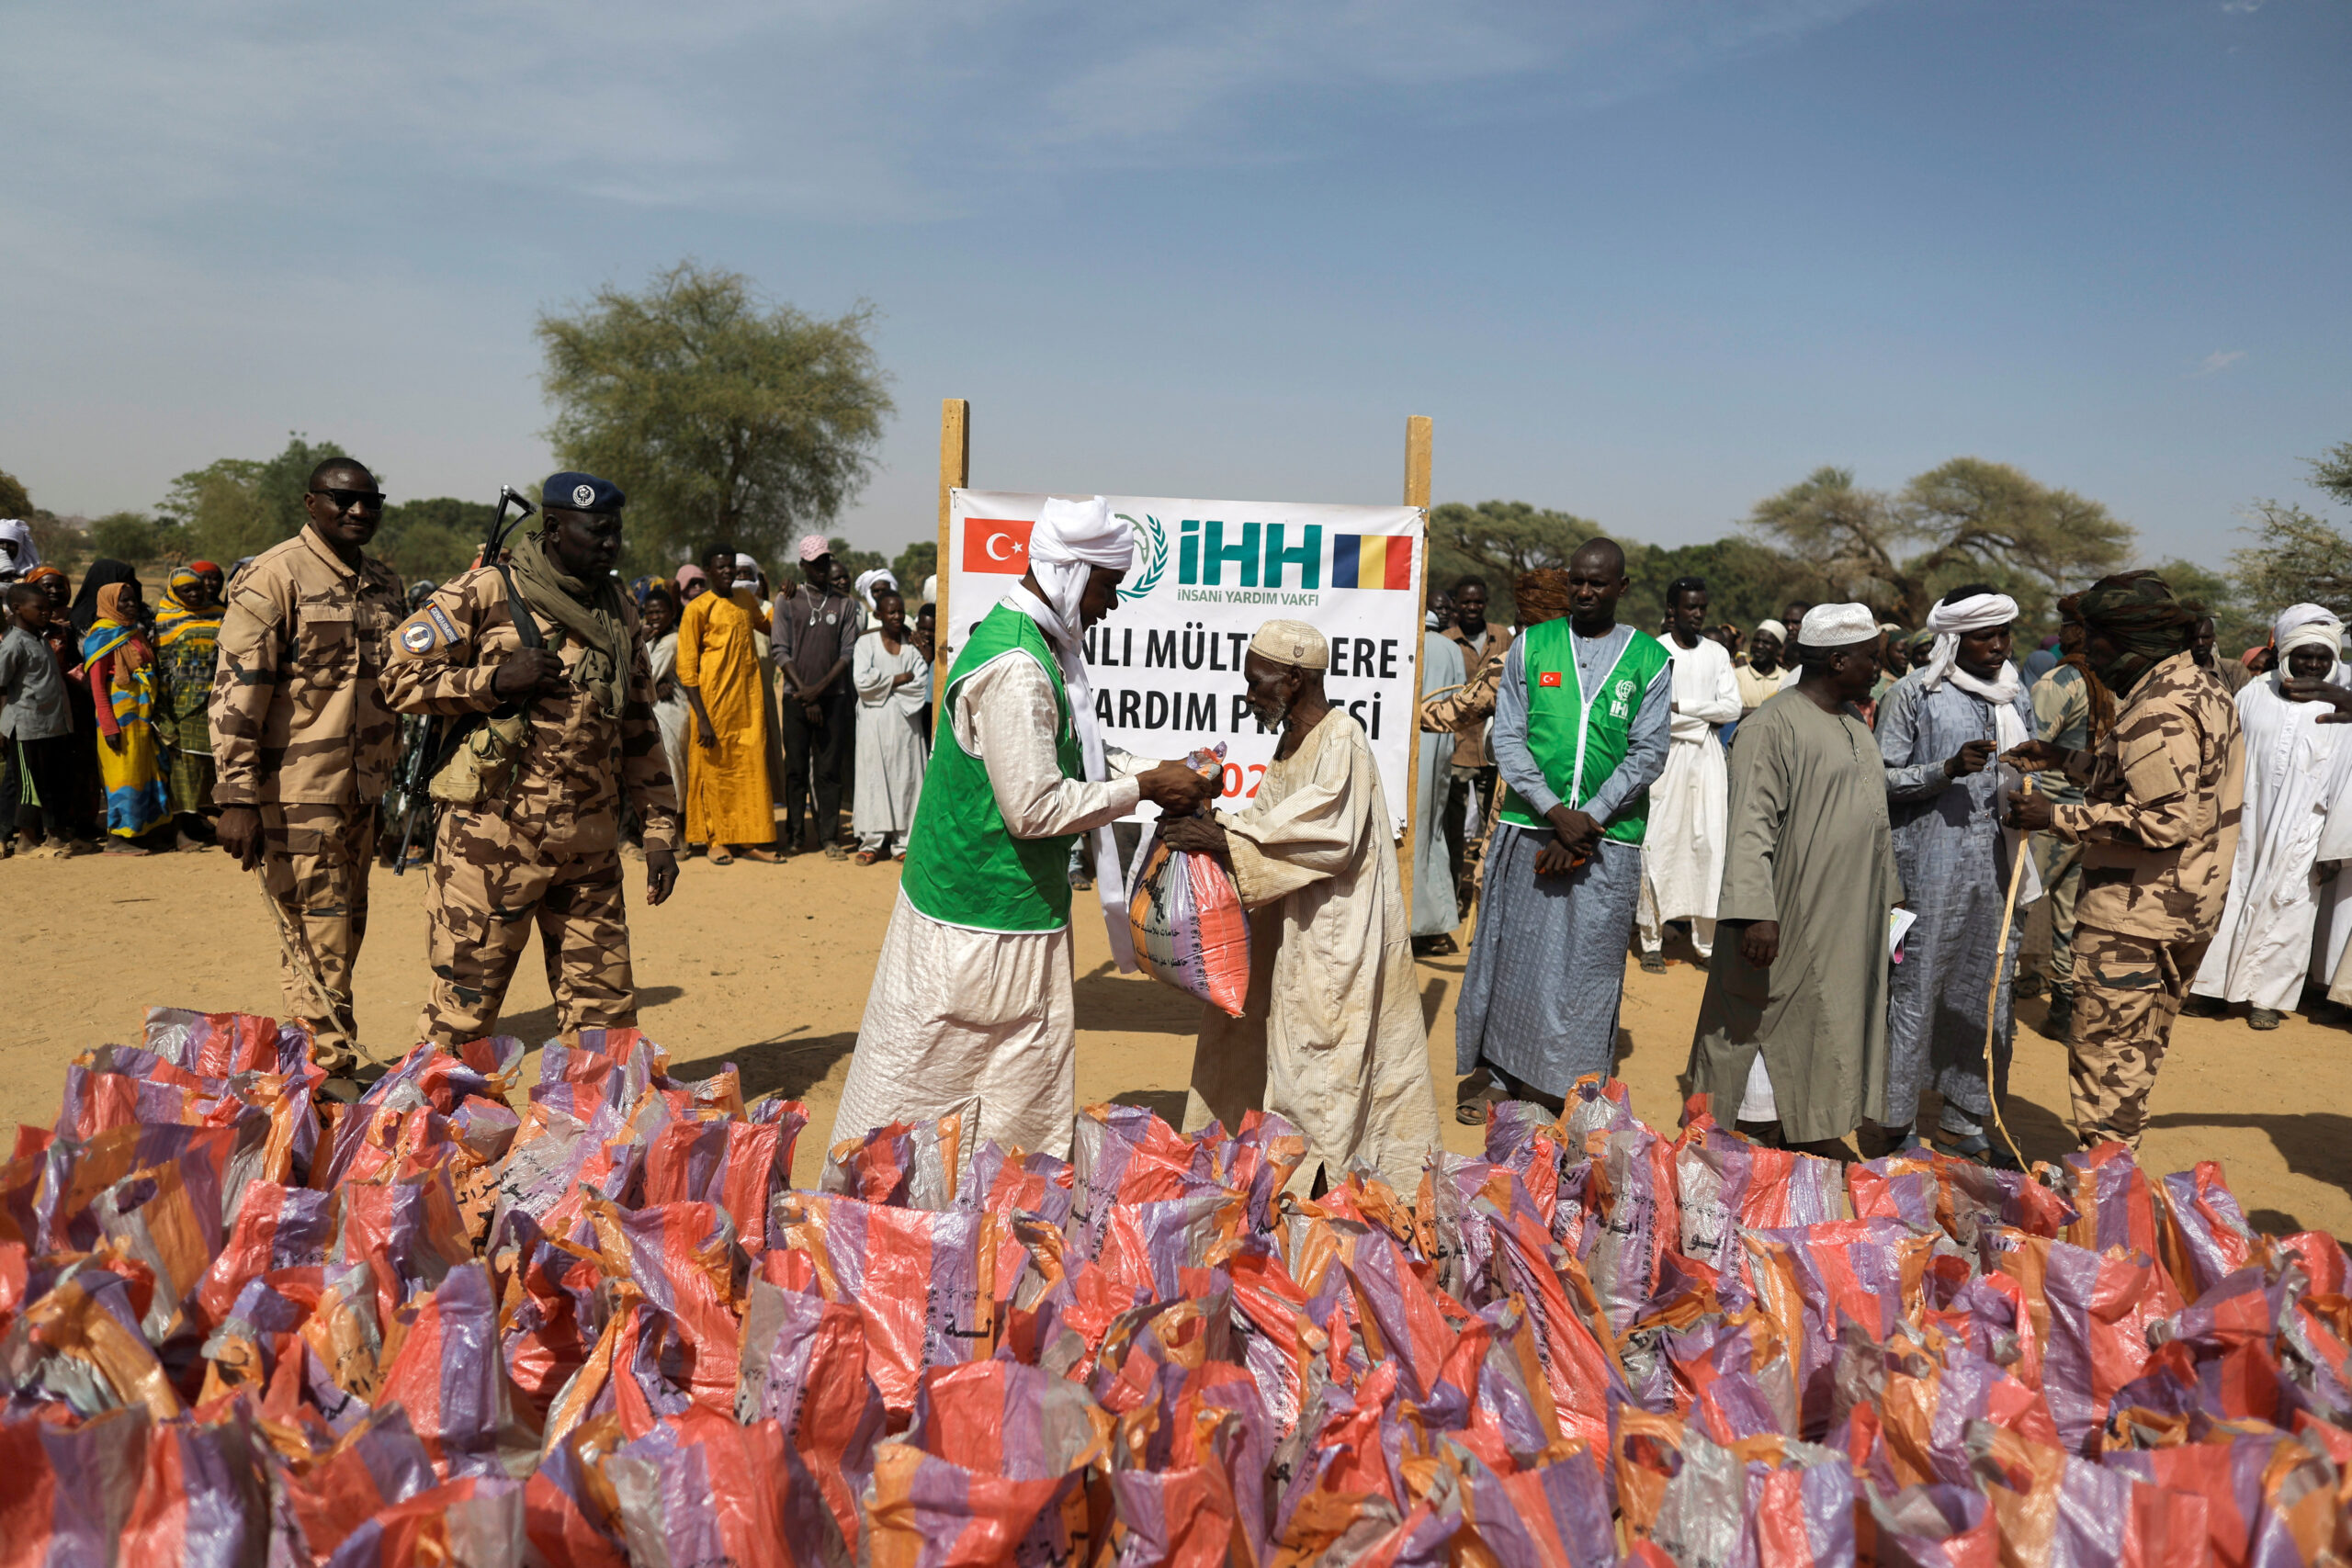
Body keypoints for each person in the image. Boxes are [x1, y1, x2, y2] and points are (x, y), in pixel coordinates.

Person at [828, 497, 1216, 1160]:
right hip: (979, 923)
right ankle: (892, 1219)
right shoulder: (1018, 664)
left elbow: (1062, 755)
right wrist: (1145, 788)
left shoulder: (1030, 641)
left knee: (1000, 1098)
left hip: (998, 912)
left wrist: (1149, 771)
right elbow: (1033, 807)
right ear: (1071, 572)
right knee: (934, 1103)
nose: (1111, 605)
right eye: (1107, 587)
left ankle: (986, 1227)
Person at [383, 472, 680, 1050]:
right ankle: (437, 1136)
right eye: (597, 532)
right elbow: (396, 678)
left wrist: (660, 830)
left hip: (588, 848)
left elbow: (640, 724)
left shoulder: (618, 609)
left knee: (605, 1019)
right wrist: (493, 680)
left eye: (616, 532)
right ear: (552, 527)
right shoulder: (486, 592)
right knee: (462, 1016)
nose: (611, 545)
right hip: (490, 846)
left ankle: (591, 1136)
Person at [1169, 620, 1444, 1195]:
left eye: (1257, 682)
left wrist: (1224, 841)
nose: (1248, 697)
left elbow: (1326, 836)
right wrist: (1214, 823)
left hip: (1333, 933)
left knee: (1319, 1066)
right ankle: (1263, 1176)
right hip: (1287, 926)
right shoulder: (1291, 741)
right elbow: (1271, 824)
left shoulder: (1341, 738)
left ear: (1292, 680)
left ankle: (1316, 1203)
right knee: (1264, 1044)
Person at [2007, 570, 2244, 1151]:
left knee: (2106, 1062)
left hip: (2135, 917)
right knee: (2135, 1055)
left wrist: (2055, 819)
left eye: (2097, 638)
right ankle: (2115, 1183)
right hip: (2186, 905)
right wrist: (2066, 759)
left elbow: (2163, 820)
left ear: (2131, 641)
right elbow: (2157, 784)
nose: (2086, 650)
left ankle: (2104, 1199)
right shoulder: (2202, 689)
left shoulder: (2159, 710)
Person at [1453, 541, 1672, 1118]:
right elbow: (1508, 738)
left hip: (1607, 838)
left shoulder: (1649, 659)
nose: (1585, 592)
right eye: (1576, 581)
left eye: (1598, 583)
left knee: (1587, 969)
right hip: (1530, 826)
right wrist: (1555, 812)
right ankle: (1500, 1072)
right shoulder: (1531, 647)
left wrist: (1588, 819)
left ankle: (1568, 1084)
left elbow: (1648, 753)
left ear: (1622, 588)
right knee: (1511, 958)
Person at [209, 457, 406, 1078]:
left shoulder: (383, 582)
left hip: (362, 791)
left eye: (369, 501)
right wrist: (237, 796)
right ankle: (327, 1071)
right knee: (317, 936)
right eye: (342, 500)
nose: (357, 511)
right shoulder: (274, 577)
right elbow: (238, 692)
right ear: (310, 502)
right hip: (296, 792)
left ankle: (318, 1059)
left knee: (344, 932)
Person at [1687, 605, 1904, 1156]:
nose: (1877, 670)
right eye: (1870, 659)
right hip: (1786, 920)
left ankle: (1808, 1136)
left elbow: (1871, 816)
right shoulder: (1770, 727)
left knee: (1828, 1027)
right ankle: (1749, 1153)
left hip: (1846, 920)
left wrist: (1892, 902)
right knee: (1764, 1035)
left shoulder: (1855, 722)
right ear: (1837, 660)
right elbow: (1749, 831)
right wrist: (1757, 912)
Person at [1871, 587, 2031, 1164]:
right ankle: (1896, 1121)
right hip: (1924, 872)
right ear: (1953, 640)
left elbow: (2030, 767)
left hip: (1996, 871)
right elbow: (1880, 779)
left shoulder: (2014, 697)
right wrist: (1944, 770)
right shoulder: (1915, 695)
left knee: (1987, 990)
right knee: (1915, 989)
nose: (1997, 647)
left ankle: (1965, 1119)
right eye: (1984, 636)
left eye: (2004, 635)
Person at [2186, 606, 2352, 1029]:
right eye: (2304, 656)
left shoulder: (2343, 708)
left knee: (2290, 908)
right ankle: (2208, 990)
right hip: (2244, 820)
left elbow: (2347, 781)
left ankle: (2266, 998)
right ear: (2285, 657)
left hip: (2306, 828)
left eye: (2322, 658)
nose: (2312, 664)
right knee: (2227, 899)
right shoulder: (2254, 694)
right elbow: (2225, 757)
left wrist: (2334, 845)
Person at [1636, 576, 1742, 972]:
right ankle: (1651, 940)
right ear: (1671, 610)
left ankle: (1706, 945)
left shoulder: (1716, 653)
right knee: (1659, 844)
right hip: (1665, 761)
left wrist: (1683, 708)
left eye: (1702, 607)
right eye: (1690, 607)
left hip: (1708, 762)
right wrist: (1701, 718)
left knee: (1709, 846)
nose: (1698, 614)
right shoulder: (1653, 651)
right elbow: (1651, 717)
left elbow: (1731, 708)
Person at [2019, 599, 2106, 1038]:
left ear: (2077, 632)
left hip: (2052, 813)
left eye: (2067, 624)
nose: (2061, 629)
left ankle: (1998, 1008)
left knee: (2016, 907)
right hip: (2094, 815)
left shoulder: (2061, 680)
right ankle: (2065, 1013)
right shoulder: (2112, 683)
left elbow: (2031, 747)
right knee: (2071, 920)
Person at [675, 545, 782, 863]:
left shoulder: (745, 600)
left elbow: (768, 625)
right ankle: (716, 840)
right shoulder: (698, 608)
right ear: (708, 571)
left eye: (731, 567)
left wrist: (787, 600)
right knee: (715, 773)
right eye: (721, 567)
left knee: (749, 772)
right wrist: (703, 718)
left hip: (747, 707)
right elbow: (687, 668)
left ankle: (749, 839)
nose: (727, 572)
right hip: (712, 707)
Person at [775, 536, 859, 857]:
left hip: (833, 697)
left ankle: (829, 838)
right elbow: (780, 650)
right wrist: (805, 694)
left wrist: (818, 691)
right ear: (803, 566)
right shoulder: (788, 599)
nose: (821, 568)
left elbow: (846, 653)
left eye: (825, 561)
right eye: (815, 563)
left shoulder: (844, 604)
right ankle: (795, 836)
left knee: (828, 771)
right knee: (795, 769)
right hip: (795, 698)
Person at [1, 583, 92, 857]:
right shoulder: (13, 644)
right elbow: (1, 686)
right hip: (26, 726)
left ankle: (55, 837)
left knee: (55, 783)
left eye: (48, 609)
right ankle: (27, 842)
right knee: (30, 787)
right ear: (17, 609)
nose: (45, 613)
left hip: (52, 725)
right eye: (39, 609)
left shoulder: (40, 639)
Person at [83, 579, 171, 852]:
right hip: (119, 718)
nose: (131, 605)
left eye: (133, 599)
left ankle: (144, 830)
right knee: (123, 775)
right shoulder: (101, 636)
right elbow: (97, 686)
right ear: (109, 604)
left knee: (146, 771)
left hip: (142, 715)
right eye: (124, 601)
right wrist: (109, 727)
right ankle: (118, 838)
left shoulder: (133, 632)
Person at [1440, 577, 1511, 900]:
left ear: (1486, 602)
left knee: (1492, 831)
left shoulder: (1503, 637)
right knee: (1453, 833)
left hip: (1492, 749)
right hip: (1454, 748)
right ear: (1456, 604)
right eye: (1466, 602)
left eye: (1478, 602)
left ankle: (1489, 899)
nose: (1472, 608)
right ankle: (1453, 898)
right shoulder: (1445, 641)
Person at [851, 588, 929, 863]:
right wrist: (899, 679)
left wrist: (883, 682)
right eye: (891, 612)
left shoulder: (912, 645)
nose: (897, 616)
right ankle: (871, 843)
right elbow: (862, 682)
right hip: (873, 725)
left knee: (906, 778)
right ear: (878, 614)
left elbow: (919, 684)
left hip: (906, 724)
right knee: (873, 778)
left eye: (900, 611)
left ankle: (902, 843)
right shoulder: (865, 644)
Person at [153, 562, 225, 843]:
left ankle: (203, 824)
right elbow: (161, 665)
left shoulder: (219, 614)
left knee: (213, 767)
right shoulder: (165, 620)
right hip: (181, 702)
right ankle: (182, 831)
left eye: (198, 588)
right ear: (174, 592)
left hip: (216, 699)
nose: (195, 594)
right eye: (187, 590)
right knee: (185, 768)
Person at [1411, 626, 1465, 952]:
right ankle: (1434, 925)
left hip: (1409, 745)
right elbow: (1460, 704)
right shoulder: (1449, 647)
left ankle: (1422, 925)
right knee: (1429, 832)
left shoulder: (1397, 635)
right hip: (1435, 747)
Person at [641, 586, 693, 835]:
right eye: (650, 613)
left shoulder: (672, 641)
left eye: (660, 612)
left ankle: (679, 833)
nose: (654, 617)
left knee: (674, 770)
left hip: (671, 713)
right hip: (656, 710)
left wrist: (654, 682)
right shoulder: (652, 638)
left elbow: (646, 676)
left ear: (672, 613)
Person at [1736, 620, 1791, 715]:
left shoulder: (1787, 679)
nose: (1759, 646)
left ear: (1779, 648)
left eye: (1766, 642)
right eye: (1756, 641)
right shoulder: (1737, 675)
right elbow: (1732, 712)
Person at [2194, 615, 2253, 694]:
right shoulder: (2178, 672)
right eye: (2194, 638)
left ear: (2214, 637)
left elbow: (2245, 701)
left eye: (2206, 637)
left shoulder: (2234, 670)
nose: (2200, 643)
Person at [0, 520, 38, 584]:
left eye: (11, 543)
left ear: (20, 547)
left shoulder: (32, 578)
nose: (5, 547)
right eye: (1, 542)